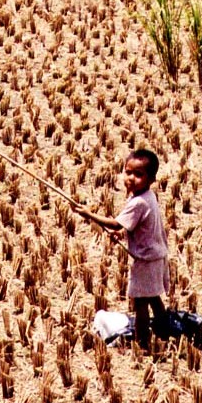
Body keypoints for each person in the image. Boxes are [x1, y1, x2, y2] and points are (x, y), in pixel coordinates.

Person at [74, 148, 170, 351]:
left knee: (141, 302)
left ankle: (142, 342)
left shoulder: (138, 202)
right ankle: (164, 327)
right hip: (155, 255)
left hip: (145, 259)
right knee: (153, 296)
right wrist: (123, 235)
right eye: (128, 172)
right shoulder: (146, 196)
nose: (131, 178)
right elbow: (137, 226)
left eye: (138, 174)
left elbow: (117, 223)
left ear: (151, 178)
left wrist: (89, 215)